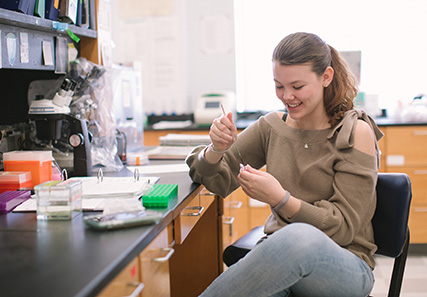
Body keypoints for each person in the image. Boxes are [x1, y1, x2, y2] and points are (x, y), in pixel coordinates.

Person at [185, 32, 384, 297]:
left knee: (295, 238)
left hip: (344, 266)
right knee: (276, 258)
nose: (287, 96)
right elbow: (212, 179)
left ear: (326, 77)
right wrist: (216, 150)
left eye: (297, 87)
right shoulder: (271, 128)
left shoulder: (354, 132)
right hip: (282, 260)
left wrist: (281, 199)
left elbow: (344, 228)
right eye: (279, 86)